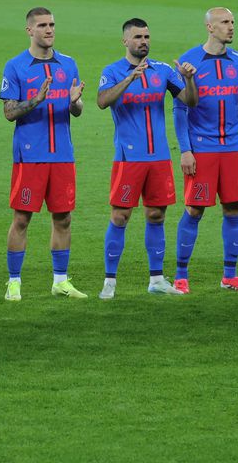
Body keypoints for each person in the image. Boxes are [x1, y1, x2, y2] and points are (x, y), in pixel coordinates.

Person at [96, 18, 197, 299]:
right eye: (138, 37)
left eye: (147, 36)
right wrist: (129, 78)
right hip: (128, 158)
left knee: (156, 214)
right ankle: (110, 282)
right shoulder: (113, 71)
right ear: (125, 41)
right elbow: (102, 101)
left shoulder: (163, 70)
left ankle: (156, 279)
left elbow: (190, 101)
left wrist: (189, 79)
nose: (144, 41)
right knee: (120, 216)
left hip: (160, 157)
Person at [0, 7, 86, 300]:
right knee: (22, 219)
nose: (49, 30)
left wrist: (74, 102)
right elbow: (9, 112)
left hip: (62, 154)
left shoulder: (68, 64)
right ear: (29, 31)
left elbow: (77, 109)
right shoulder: (16, 66)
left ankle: (60, 281)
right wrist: (36, 99)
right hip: (30, 157)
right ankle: (14, 282)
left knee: (63, 219)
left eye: (52, 24)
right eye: (42, 25)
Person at [172, 7, 238, 293]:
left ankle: (229, 276)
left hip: (233, 148)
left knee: (234, 208)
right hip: (203, 149)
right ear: (209, 27)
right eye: (224, 22)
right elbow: (179, 110)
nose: (231, 27)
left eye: (233, 21)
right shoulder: (188, 62)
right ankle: (181, 276)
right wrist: (185, 150)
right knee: (195, 210)